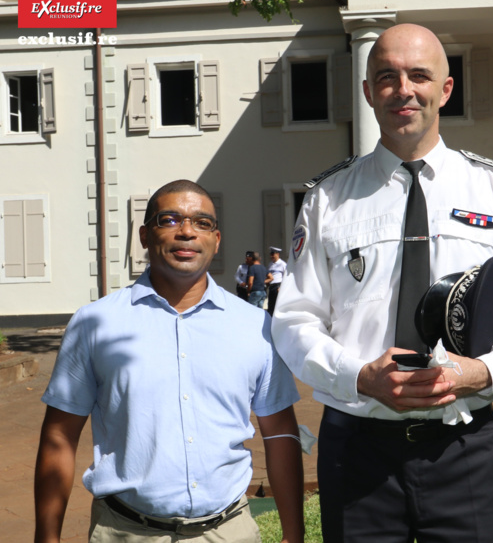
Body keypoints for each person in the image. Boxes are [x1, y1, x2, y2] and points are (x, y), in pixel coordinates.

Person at [273, 23, 493, 542]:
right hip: (357, 447)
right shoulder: (328, 200)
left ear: (445, 90)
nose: (403, 89)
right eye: (386, 77)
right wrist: (359, 375)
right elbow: (294, 320)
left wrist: (483, 372)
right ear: (368, 92)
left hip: (463, 446)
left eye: (419, 76)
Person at [34, 180, 304, 543]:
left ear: (217, 239)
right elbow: (59, 434)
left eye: (202, 222)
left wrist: (294, 533)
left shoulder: (256, 326)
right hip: (126, 532)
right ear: (145, 235)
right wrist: (46, 537)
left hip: (230, 532)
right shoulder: (95, 324)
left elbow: (281, 432)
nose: (187, 231)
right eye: (170, 219)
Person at [266, 246, 287, 316]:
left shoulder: (282, 264)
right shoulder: (270, 264)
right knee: (270, 306)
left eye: (273, 254)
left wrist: (281, 287)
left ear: (277, 254)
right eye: (270, 254)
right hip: (271, 287)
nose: (271, 256)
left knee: (277, 306)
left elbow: (286, 277)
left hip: (278, 286)